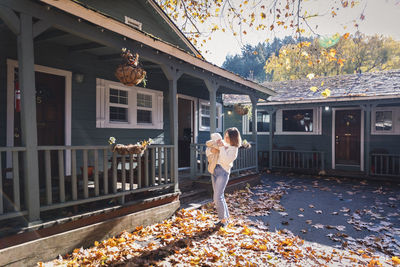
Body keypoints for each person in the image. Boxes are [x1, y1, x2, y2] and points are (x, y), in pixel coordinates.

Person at [208, 127, 241, 228]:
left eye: (228, 137)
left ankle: (223, 221)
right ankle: (225, 219)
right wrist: (213, 150)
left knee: (217, 197)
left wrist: (221, 148)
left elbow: (225, 160)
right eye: (225, 136)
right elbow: (210, 151)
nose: (225, 139)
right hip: (215, 170)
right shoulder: (224, 145)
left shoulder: (234, 149)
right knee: (219, 196)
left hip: (223, 172)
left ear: (233, 138)